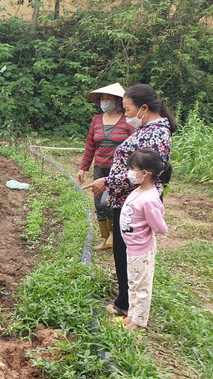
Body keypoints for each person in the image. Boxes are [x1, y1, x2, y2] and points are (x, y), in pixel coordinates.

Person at [88, 83, 175, 317]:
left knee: (130, 253)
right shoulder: (148, 129)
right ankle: (125, 300)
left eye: (127, 110)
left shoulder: (155, 135)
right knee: (123, 251)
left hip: (134, 203)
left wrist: (106, 182)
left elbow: (140, 174)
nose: (125, 115)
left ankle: (127, 306)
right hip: (128, 200)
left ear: (143, 108)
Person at [78, 83, 135, 250]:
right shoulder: (96, 120)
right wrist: (83, 167)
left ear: (117, 101)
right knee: (98, 204)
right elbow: (90, 146)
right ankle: (105, 238)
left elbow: (133, 146)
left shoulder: (127, 121)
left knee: (107, 202)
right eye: (102, 98)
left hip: (117, 170)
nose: (104, 101)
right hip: (100, 167)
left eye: (108, 98)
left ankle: (114, 234)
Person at [120, 149, 168, 330]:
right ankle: (132, 315)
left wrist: (162, 225)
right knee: (133, 282)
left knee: (141, 287)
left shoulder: (149, 199)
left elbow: (159, 227)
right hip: (132, 248)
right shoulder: (138, 190)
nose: (129, 172)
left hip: (141, 251)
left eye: (132, 168)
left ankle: (138, 323)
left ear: (145, 173)